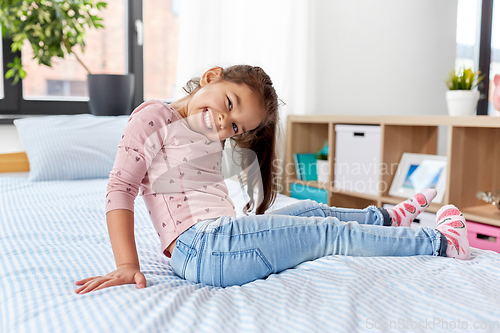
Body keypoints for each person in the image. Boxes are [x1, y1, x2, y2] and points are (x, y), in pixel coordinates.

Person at [75, 65, 470, 293]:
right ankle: (437, 241)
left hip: (219, 239)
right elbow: (120, 189)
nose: (223, 122)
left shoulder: (207, 132)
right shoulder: (153, 117)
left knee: (312, 209)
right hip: (203, 248)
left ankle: (383, 219)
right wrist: (126, 264)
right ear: (211, 76)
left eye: (235, 126)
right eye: (228, 104)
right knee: (327, 232)